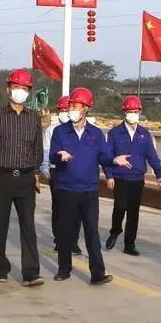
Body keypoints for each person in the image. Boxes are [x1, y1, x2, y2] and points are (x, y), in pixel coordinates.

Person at [0, 68, 44, 287]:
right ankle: (1, 267)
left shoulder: (34, 118)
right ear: (8, 89)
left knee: (28, 225)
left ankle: (31, 272)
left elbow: (37, 149)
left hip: (26, 178)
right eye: (16, 87)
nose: (20, 91)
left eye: (25, 88)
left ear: (29, 91)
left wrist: (36, 173)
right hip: (1, 177)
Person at [49, 88, 113, 285]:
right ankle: (64, 269)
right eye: (70, 106)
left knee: (92, 232)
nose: (71, 109)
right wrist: (59, 156)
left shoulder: (96, 134)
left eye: (75, 106)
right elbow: (52, 156)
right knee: (65, 231)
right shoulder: (60, 132)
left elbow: (104, 157)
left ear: (86, 108)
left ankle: (97, 273)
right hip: (66, 189)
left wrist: (114, 161)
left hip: (89, 191)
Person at [104, 95, 161, 256]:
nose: (132, 114)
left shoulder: (144, 134)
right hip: (120, 177)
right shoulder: (115, 133)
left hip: (137, 178)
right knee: (120, 206)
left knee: (133, 212)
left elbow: (152, 155)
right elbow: (107, 156)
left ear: (140, 112)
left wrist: (159, 174)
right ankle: (115, 231)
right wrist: (109, 175)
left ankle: (129, 244)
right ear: (124, 112)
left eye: (135, 111)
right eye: (129, 111)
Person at [40, 95, 82, 254]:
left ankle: (73, 240)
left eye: (67, 109)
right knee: (59, 206)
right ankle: (59, 239)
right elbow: (46, 150)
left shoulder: (79, 129)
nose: (65, 112)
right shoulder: (52, 130)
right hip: (56, 170)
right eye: (62, 110)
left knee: (76, 207)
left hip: (74, 171)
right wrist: (44, 167)